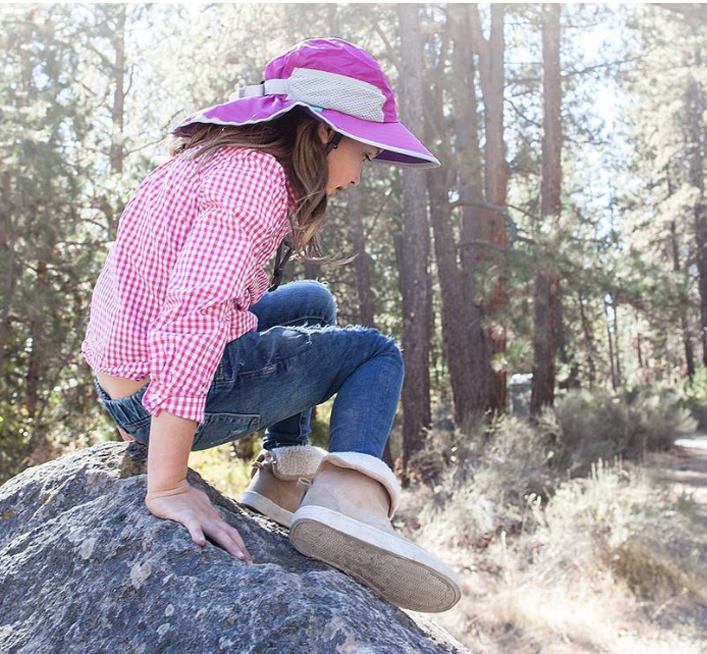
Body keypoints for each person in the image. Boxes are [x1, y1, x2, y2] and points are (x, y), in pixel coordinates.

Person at [81, 37, 461, 613]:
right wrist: (168, 484)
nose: (359, 175)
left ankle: (283, 480)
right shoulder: (255, 178)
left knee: (311, 300)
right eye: (364, 153)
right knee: (376, 354)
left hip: (126, 379)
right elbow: (195, 316)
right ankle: (349, 509)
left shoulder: (213, 157)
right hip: (156, 391)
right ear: (321, 133)